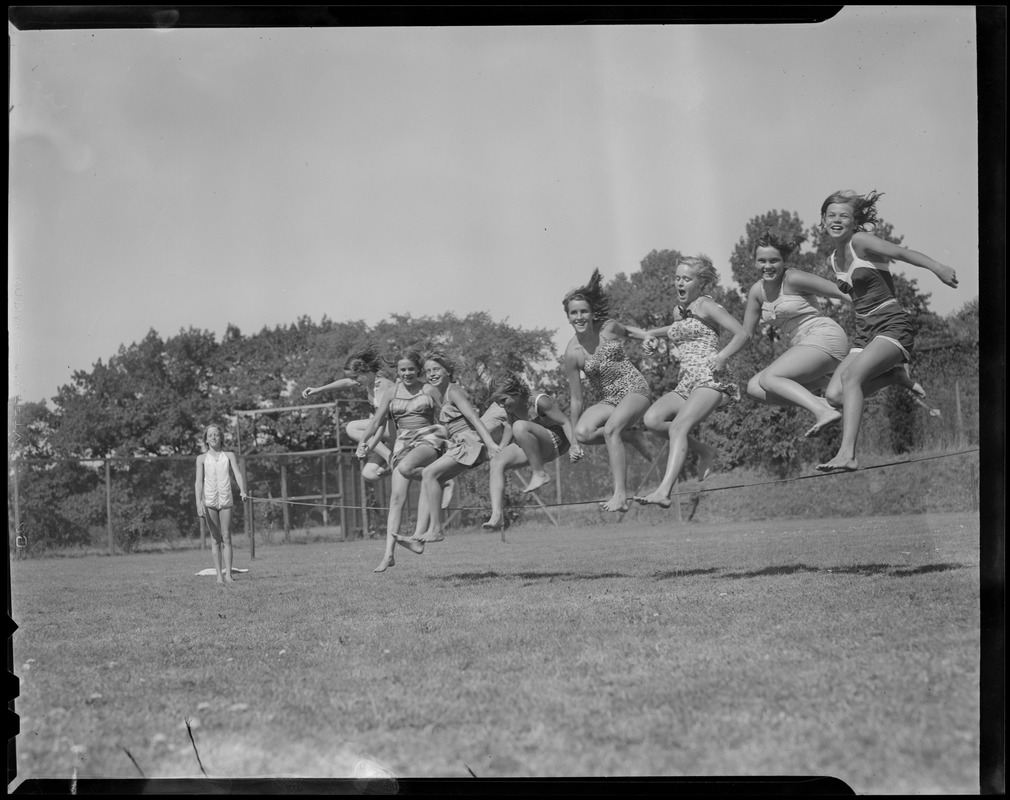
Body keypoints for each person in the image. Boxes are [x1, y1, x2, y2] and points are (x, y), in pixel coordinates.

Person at [815, 189, 958, 472]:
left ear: (854, 222)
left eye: (844, 215)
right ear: (822, 221)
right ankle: (894, 377)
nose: (836, 220)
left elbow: (901, 253)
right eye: (831, 215)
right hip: (864, 333)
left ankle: (847, 454)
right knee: (834, 395)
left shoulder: (860, 241)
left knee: (850, 377)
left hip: (892, 326)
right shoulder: (833, 258)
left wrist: (937, 267)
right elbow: (858, 291)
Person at [635, 255, 751, 508]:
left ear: (701, 283)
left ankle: (664, 491)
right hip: (686, 383)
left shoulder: (707, 306)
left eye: (686, 279)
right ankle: (704, 451)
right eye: (677, 278)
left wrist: (723, 356)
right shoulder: (679, 311)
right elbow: (676, 329)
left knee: (678, 427)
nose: (680, 283)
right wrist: (651, 335)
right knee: (652, 420)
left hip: (711, 379)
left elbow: (743, 333)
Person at [562, 269, 658, 513]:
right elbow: (576, 399)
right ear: (568, 318)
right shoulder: (572, 354)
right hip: (610, 399)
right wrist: (573, 442)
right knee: (583, 433)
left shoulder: (608, 328)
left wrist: (648, 337)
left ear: (592, 313)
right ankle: (632, 436)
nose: (580, 316)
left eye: (584, 311)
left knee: (611, 429)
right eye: (574, 313)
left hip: (634, 388)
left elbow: (632, 332)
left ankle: (620, 495)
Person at [742, 229, 852, 437]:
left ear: (783, 260)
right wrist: (720, 357)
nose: (767, 266)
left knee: (769, 377)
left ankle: (822, 411)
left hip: (823, 335)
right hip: (804, 346)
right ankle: (823, 401)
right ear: (755, 261)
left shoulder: (792, 278)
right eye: (761, 261)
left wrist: (875, 316)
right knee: (754, 388)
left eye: (774, 260)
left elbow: (840, 292)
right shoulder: (757, 292)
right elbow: (745, 334)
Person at [355, 348, 447, 572]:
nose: (407, 373)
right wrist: (363, 442)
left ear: (418, 370)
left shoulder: (429, 389)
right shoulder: (392, 392)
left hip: (429, 438)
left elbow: (446, 414)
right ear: (397, 371)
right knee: (396, 498)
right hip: (402, 443)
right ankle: (388, 555)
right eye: (402, 369)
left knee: (409, 468)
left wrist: (454, 436)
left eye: (411, 369)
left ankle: (418, 536)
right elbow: (377, 421)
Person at [407, 351, 504, 544]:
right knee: (431, 477)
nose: (432, 374)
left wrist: (491, 444)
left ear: (448, 371)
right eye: (428, 371)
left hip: (469, 442)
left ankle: (435, 530)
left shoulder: (454, 391)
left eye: (436, 369)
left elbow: (473, 419)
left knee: (428, 474)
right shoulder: (437, 393)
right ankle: (424, 532)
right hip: (457, 444)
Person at [481, 374, 576, 532]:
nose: (501, 405)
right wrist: (502, 448)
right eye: (498, 403)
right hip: (535, 445)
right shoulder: (510, 409)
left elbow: (565, 421)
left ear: (517, 393)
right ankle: (497, 515)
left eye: (503, 400)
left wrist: (574, 445)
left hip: (556, 440)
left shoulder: (538, 400)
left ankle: (539, 473)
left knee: (520, 426)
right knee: (497, 462)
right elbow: (511, 428)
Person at [300, 346, 395, 482]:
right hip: (389, 432)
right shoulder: (369, 382)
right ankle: (396, 464)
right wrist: (318, 390)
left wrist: (366, 446)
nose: (354, 381)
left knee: (351, 427)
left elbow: (379, 425)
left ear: (366, 371)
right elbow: (345, 382)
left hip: (398, 430)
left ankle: (392, 459)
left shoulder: (382, 387)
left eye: (356, 377)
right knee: (369, 474)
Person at [195, 424, 249, 584]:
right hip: (209, 501)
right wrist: (198, 502)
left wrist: (243, 490)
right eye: (210, 435)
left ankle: (228, 576)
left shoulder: (229, 455)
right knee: (215, 538)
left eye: (216, 435)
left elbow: (238, 474)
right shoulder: (201, 459)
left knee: (226, 536)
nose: (213, 437)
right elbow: (198, 482)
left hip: (226, 500)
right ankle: (219, 576)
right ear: (206, 439)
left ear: (221, 437)